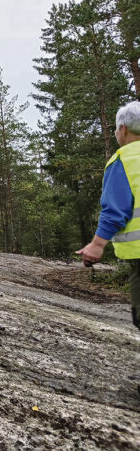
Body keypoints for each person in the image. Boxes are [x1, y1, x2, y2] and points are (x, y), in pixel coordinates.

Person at [77, 101, 140, 332]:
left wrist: (96, 245)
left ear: (123, 129)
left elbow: (115, 211)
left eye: (115, 129)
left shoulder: (124, 160)